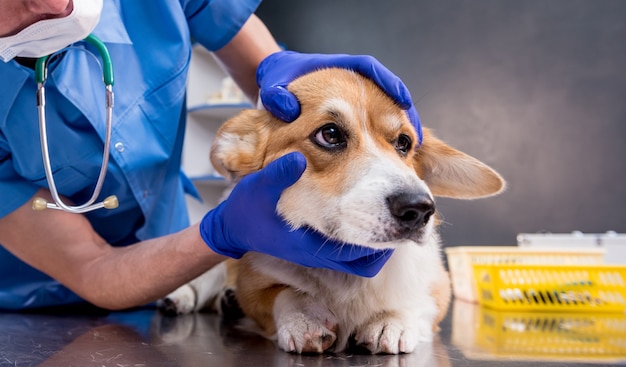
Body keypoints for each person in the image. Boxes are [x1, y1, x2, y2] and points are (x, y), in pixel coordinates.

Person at [0, 0, 422, 311]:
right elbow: (93, 268)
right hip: (39, 309)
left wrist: (285, 70)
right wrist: (220, 234)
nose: (54, 3)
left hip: (177, 287)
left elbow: (279, 93)